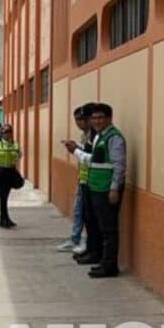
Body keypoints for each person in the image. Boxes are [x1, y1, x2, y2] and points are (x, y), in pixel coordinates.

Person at [65, 103, 125, 278]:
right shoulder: (100, 136)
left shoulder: (114, 138)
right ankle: (102, 260)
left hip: (106, 189)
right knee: (99, 226)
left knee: (108, 229)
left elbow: (119, 165)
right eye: (94, 118)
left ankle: (109, 265)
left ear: (109, 118)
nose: (97, 121)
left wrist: (114, 188)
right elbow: (95, 160)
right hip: (96, 187)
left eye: (100, 118)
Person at [56, 104, 95, 253]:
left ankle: (86, 242)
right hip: (83, 178)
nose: (79, 123)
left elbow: (92, 158)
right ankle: (76, 239)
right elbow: (85, 151)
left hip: (92, 180)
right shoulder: (85, 135)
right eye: (77, 120)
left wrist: (75, 150)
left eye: (81, 119)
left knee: (88, 214)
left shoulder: (94, 136)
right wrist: (76, 146)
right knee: (79, 211)